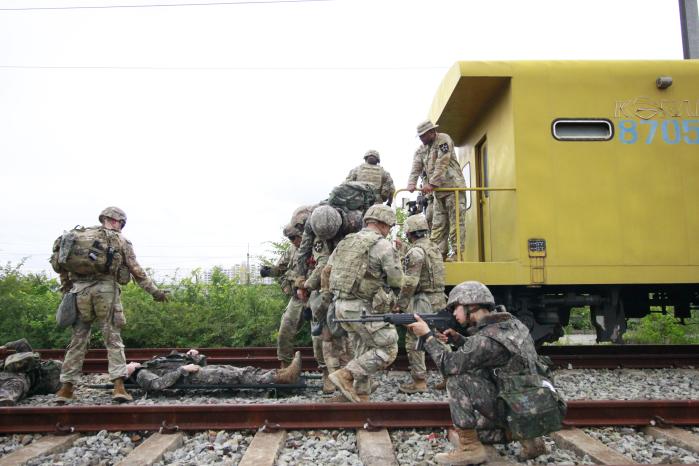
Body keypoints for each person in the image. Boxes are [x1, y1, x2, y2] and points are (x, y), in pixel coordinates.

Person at [408, 281, 558, 465]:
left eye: (456, 307)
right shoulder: (512, 324)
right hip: (533, 405)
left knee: (457, 380)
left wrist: (427, 336)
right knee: (482, 432)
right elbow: (488, 354)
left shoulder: (485, 339)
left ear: (471, 305)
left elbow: (448, 365)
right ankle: (531, 439)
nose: (454, 313)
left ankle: (469, 449)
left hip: (515, 406)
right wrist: (458, 339)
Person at [52, 207, 169, 404]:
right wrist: (155, 292)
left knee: (78, 340)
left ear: (104, 218)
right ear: (118, 222)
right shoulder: (119, 240)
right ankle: (119, 388)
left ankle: (66, 389)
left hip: (79, 292)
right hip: (106, 293)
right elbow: (136, 271)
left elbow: (61, 265)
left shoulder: (77, 236)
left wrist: (68, 288)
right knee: (113, 340)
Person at [324, 204, 403, 402]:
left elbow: (327, 271)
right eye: (390, 226)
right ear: (383, 224)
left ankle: (360, 394)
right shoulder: (382, 245)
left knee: (363, 350)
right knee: (389, 348)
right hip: (363, 308)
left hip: (340, 307)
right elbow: (396, 279)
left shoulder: (346, 242)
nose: (389, 230)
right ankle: (345, 375)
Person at [395, 214, 448, 394]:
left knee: (414, 338)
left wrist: (400, 304)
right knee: (439, 337)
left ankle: (419, 381)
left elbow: (410, 282)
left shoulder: (416, 252)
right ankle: (451, 375)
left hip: (423, 301)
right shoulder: (434, 248)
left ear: (410, 233)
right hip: (439, 298)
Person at [262, 206, 313, 368]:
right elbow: (281, 268)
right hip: (297, 298)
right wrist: (269, 271)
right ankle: (286, 367)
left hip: (316, 297)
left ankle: (328, 372)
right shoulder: (292, 250)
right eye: (290, 239)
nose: (292, 241)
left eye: (294, 238)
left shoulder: (316, 249)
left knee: (322, 336)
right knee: (285, 330)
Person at [407, 121, 467, 261]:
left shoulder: (443, 140)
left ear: (431, 132)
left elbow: (442, 162)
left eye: (423, 135)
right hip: (438, 193)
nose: (421, 139)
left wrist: (432, 183)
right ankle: (437, 255)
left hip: (453, 188)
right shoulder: (421, 149)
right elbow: (415, 167)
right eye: (420, 136)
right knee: (438, 225)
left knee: (456, 223)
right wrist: (411, 183)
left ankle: (458, 254)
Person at [126, 350, 302, 392]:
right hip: (193, 378)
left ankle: (280, 373)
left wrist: (193, 355)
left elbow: (197, 361)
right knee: (236, 376)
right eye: (126, 366)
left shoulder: (151, 363)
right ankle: (281, 379)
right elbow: (157, 384)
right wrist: (182, 369)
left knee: (239, 370)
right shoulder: (141, 374)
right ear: (128, 374)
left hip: (199, 371)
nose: (130, 362)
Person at [0, 339, 62, 406]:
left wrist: (5, 346)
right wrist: (5, 346)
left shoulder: (19, 381)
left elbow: (22, 343)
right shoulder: (29, 361)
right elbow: (22, 343)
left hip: (21, 380)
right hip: (19, 379)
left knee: (15, 385)